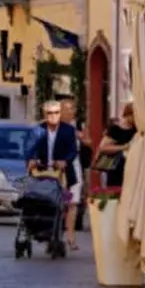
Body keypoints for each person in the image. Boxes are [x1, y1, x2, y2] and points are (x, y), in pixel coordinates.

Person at [27, 100, 80, 250]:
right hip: (42, 171)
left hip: (61, 173)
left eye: (56, 112)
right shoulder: (38, 129)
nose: (53, 116)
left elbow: (73, 150)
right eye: (50, 113)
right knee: (39, 200)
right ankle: (39, 229)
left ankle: (59, 234)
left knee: (62, 204)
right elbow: (31, 148)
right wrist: (33, 159)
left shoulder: (68, 130)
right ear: (45, 114)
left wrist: (65, 161)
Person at [60, 97, 89, 234]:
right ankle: (58, 228)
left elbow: (89, 141)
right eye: (66, 109)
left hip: (73, 165)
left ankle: (70, 233)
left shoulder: (78, 126)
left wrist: (80, 136)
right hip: (57, 166)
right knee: (60, 199)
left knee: (73, 200)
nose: (70, 112)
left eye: (72, 109)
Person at [96, 103, 137, 188]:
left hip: (131, 167)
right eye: (134, 115)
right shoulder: (115, 129)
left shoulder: (136, 129)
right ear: (128, 115)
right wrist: (124, 147)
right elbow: (103, 148)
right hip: (115, 167)